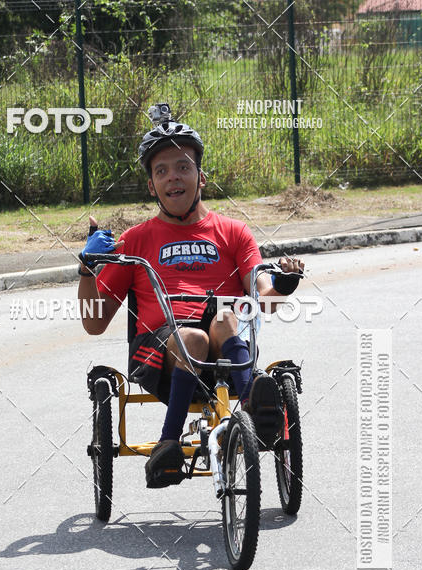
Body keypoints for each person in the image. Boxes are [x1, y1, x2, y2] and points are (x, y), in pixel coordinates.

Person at [77, 106, 304, 487]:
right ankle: (168, 445)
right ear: (151, 185)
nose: (172, 178)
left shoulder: (233, 232)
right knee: (193, 337)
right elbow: (94, 321)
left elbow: (262, 297)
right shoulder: (134, 241)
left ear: (201, 177)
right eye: (161, 171)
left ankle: (251, 403)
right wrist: (86, 269)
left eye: (182, 167)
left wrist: (283, 283)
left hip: (225, 354)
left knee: (226, 317)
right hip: (158, 354)